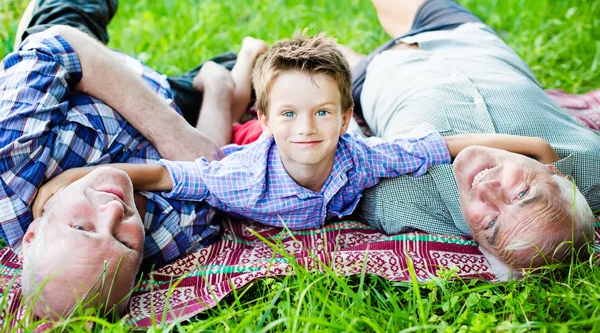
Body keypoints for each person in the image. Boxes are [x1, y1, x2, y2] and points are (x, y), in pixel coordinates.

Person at [37, 34, 560, 233]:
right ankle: (236, 70)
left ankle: (264, 71)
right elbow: (163, 175)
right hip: (240, 145)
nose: (308, 130)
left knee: (299, 99)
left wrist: (534, 149)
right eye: (289, 115)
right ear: (270, 120)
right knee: (213, 134)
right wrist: (83, 175)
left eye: (323, 114)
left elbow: (441, 147)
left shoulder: (362, 157)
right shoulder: (240, 179)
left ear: (345, 114)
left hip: (285, 115)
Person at [0, 0, 261, 319]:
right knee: (269, 72)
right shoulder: (171, 236)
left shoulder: (12, 159)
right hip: (164, 98)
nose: (112, 211)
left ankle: (44, 11)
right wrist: (217, 88)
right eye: (122, 241)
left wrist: (172, 134)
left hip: (85, 72)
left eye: (82, 226)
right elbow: (209, 170)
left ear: (33, 233)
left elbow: (62, 44)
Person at [337, 0, 599, 278]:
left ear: (480, 245)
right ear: (555, 174)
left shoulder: (404, 204)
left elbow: (342, 160)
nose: (488, 190)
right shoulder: (591, 164)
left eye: (491, 223)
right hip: (459, 35)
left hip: (377, 74)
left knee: (312, 57)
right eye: (521, 194)